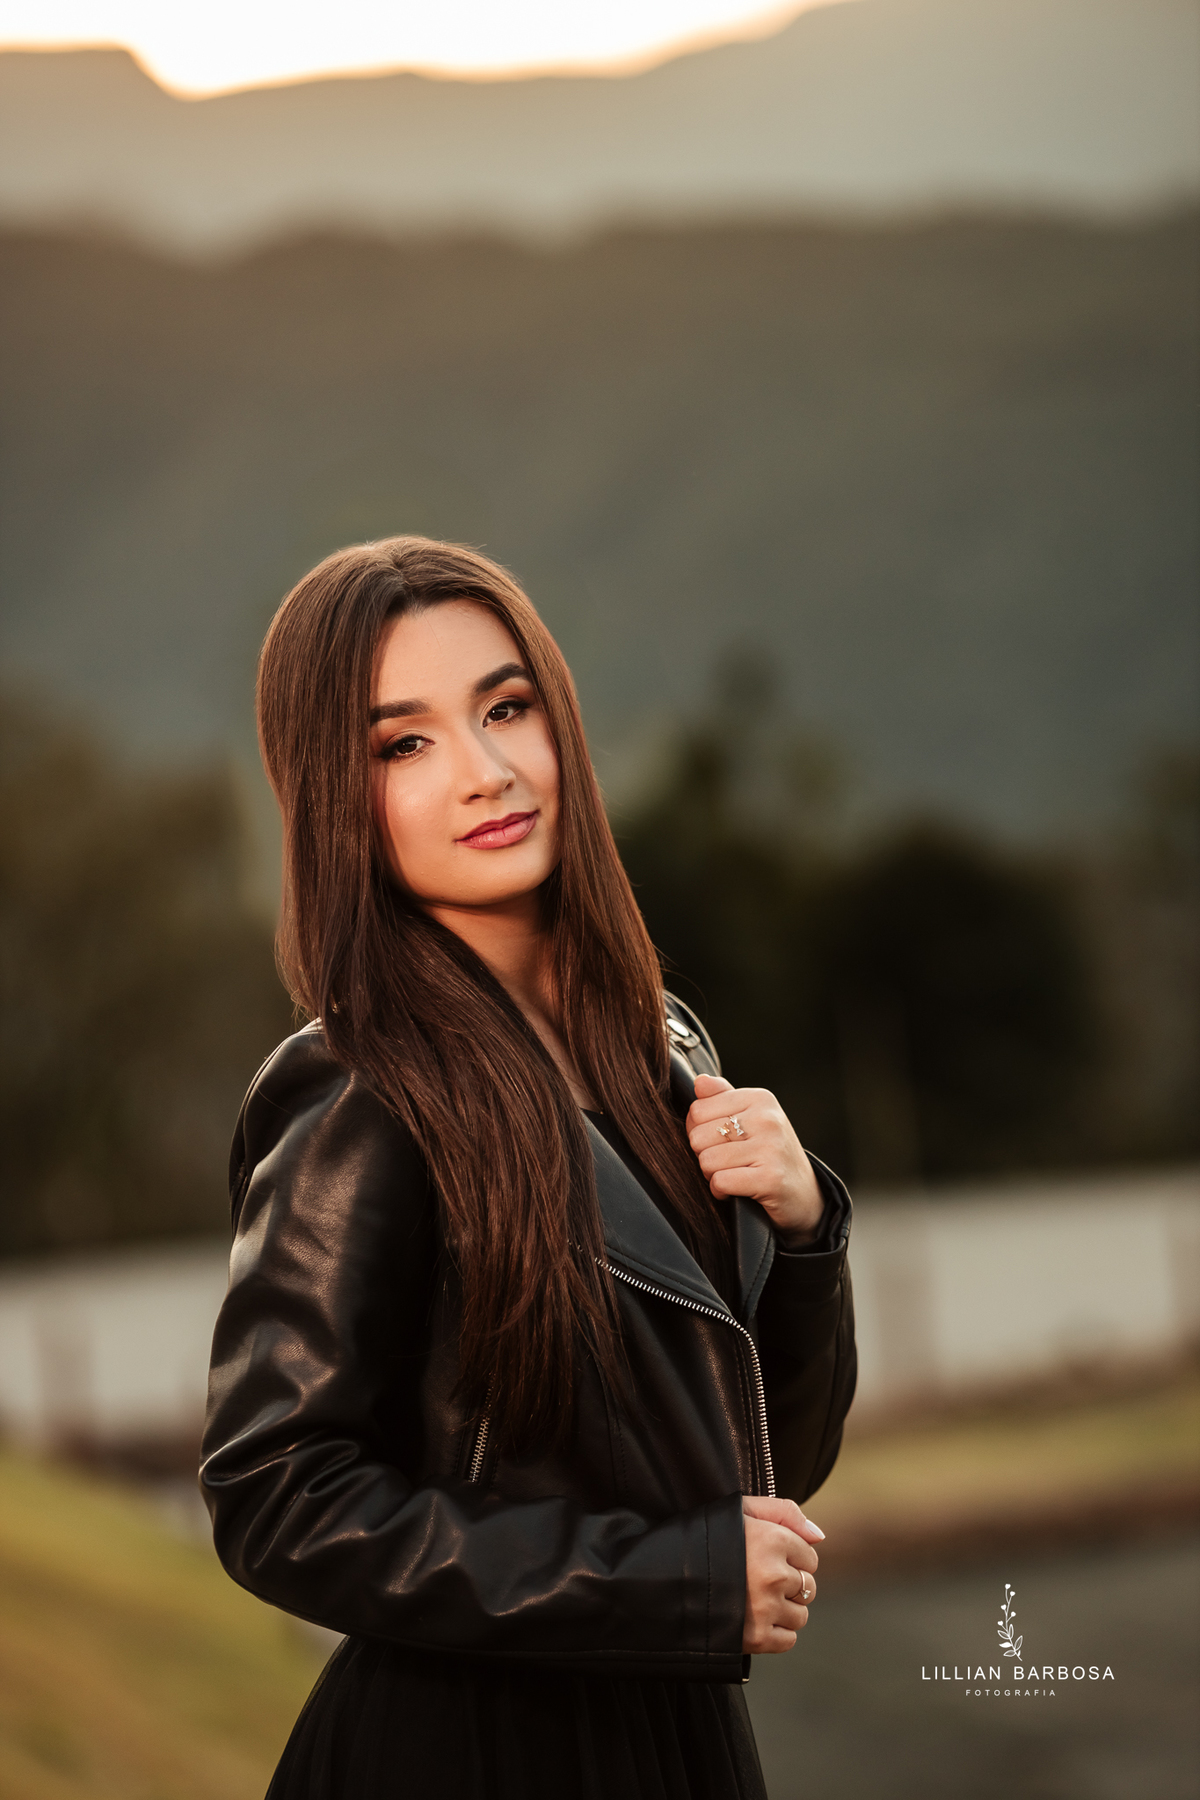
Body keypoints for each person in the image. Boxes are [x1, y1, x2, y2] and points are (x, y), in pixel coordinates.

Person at [200, 537, 856, 1800]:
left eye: (506, 709)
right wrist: (673, 1579)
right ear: (338, 799)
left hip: (673, 1731)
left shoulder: (657, 1049)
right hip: (468, 1748)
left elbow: (770, 1471)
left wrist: (808, 1227)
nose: (488, 772)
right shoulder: (357, 1084)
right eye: (406, 744)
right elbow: (275, 1495)